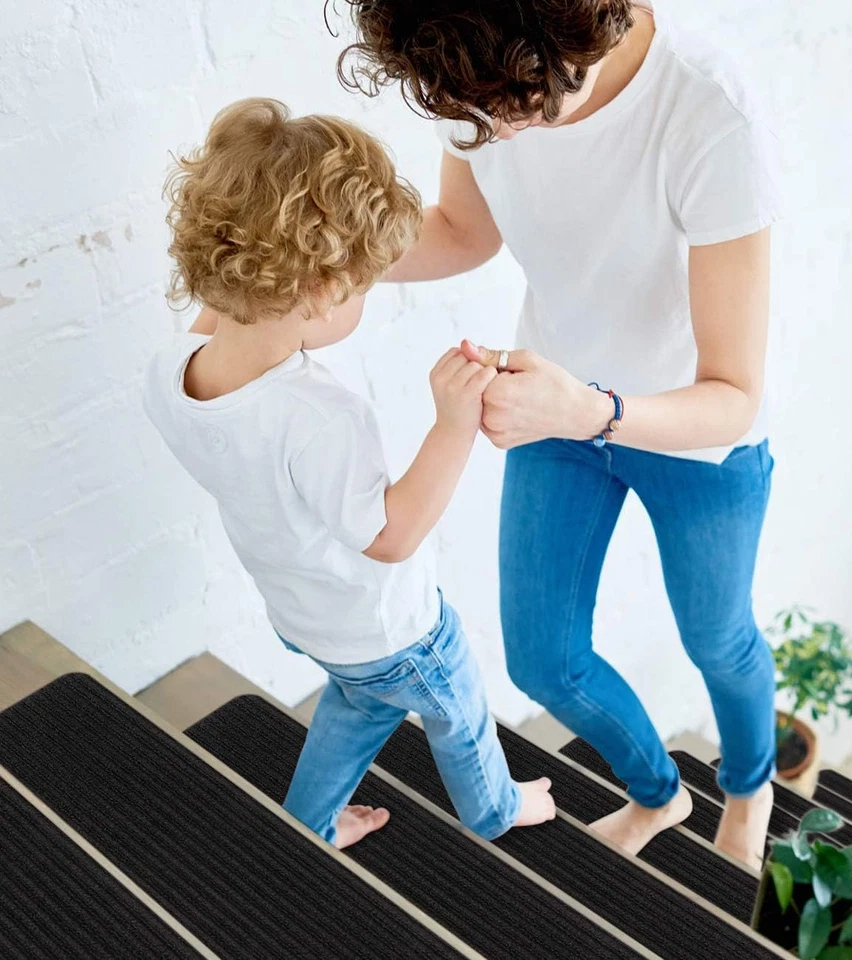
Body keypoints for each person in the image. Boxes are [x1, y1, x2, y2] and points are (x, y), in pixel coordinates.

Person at [336, 0, 781, 867]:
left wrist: (596, 410)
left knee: (716, 638)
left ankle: (751, 785)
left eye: (517, 106)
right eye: (475, 115)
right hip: (553, 404)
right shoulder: (477, 72)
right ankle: (660, 795)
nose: (494, 131)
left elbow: (733, 393)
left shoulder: (707, 110)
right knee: (543, 659)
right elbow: (465, 229)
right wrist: (325, 256)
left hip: (695, 436)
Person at [144, 98, 555, 848]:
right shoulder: (316, 415)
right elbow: (390, 536)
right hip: (395, 629)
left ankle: (310, 822)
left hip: (308, 616)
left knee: (359, 703)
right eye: (364, 281)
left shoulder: (173, 365)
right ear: (322, 293)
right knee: (456, 707)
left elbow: (221, 300)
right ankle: (495, 808)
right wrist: (452, 425)